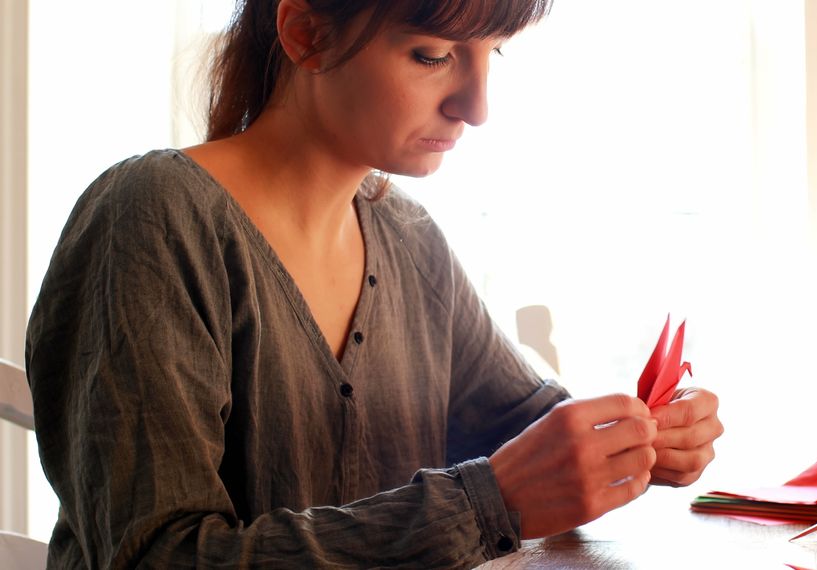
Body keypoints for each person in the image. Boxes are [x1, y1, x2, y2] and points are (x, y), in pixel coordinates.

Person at [25, 0, 724, 567]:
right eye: (434, 55)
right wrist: (489, 502)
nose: (477, 107)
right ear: (305, 34)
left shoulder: (409, 240)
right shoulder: (153, 218)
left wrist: (630, 443)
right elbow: (159, 558)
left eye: (494, 54)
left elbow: (525, 423)